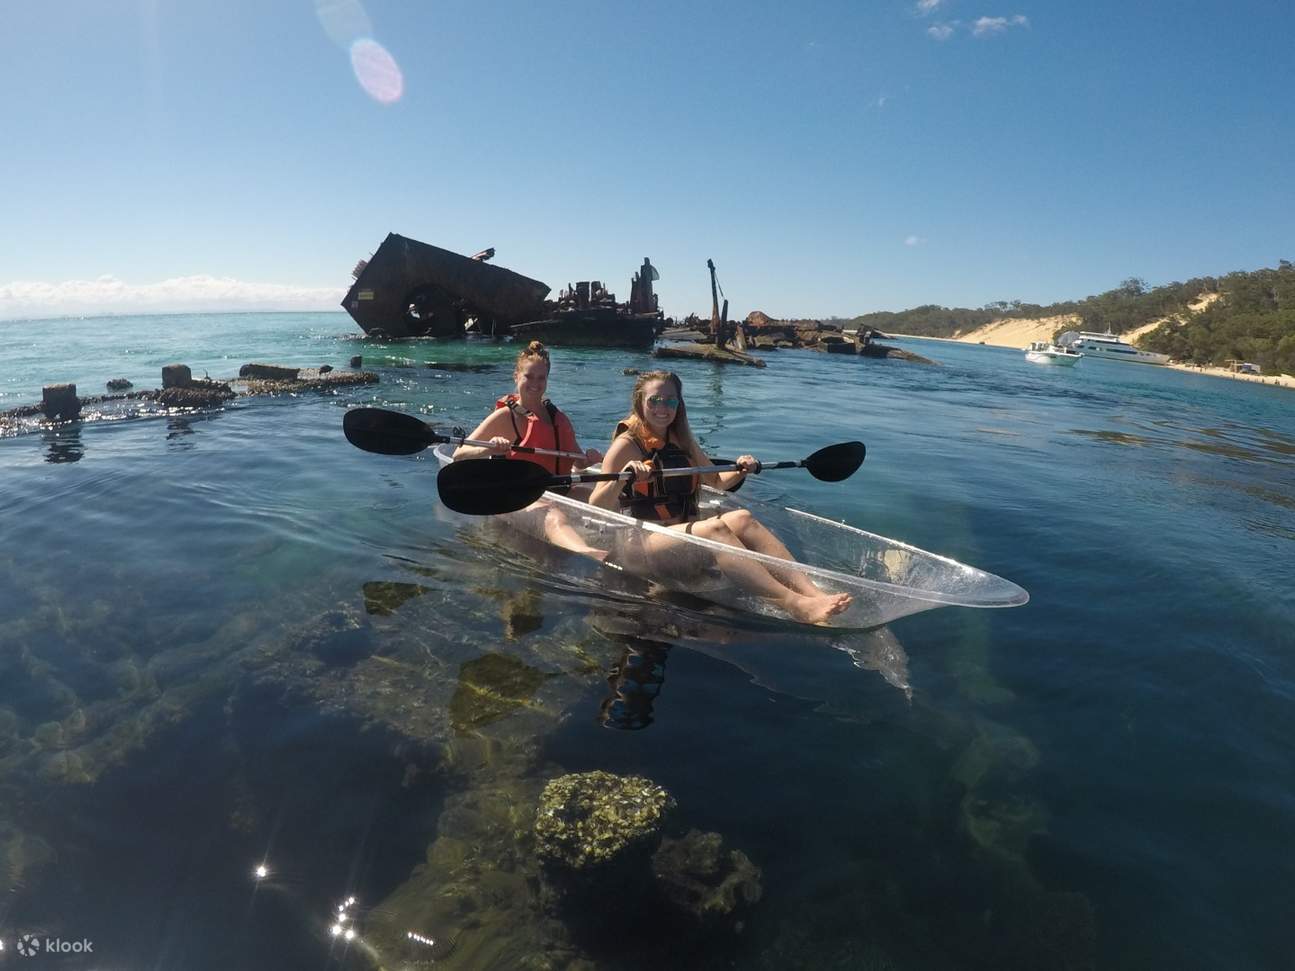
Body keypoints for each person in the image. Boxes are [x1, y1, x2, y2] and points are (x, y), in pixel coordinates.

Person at [589, 370, 852, 625]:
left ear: (679, 405)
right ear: (640, 403)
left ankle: (813, 594)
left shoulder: (682, 441)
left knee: (743, 518)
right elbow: (596, 505)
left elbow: (716, 482)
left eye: (671, 400)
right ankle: (793, 603)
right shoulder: (626, 445)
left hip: (678, 539)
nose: (663, 407)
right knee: (715, 528)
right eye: (654, 400)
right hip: (640, 547)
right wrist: (626, 475)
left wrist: (741, 470)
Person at [452, 340, 606, 559]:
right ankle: (590, 555)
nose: (535, 383)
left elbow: (577, 462)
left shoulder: (558, 418)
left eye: (541, 378)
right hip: (521, 493)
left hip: (558, 489)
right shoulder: (506, 417)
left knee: (601, 498)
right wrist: (486, 450)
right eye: (529, 376)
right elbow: (459, 455)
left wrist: (589, 458)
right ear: (516, 376)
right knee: (552, 515)